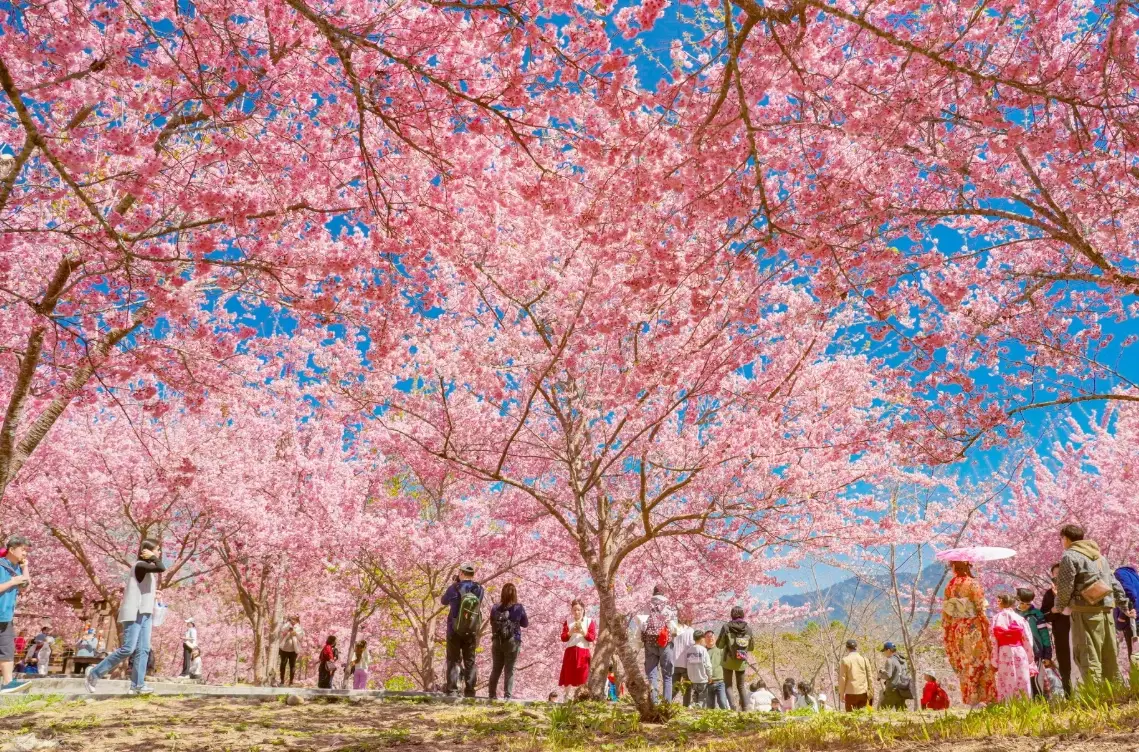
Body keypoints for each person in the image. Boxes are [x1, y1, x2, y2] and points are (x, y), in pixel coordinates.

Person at [1054, 524, 1133, 685]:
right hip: (1106, 612)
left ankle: (1095, 698)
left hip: (1085, 612)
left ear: (1066, 538)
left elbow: (1064, 586)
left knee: (1088, 654)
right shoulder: (1100, 557)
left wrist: (1059, 606)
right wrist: (1124, 605)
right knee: (1109, 654)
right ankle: (1115, 693)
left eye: (1061, 538)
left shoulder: (1070, 556)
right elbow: (1114, 584)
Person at [85, 538, 165, 695]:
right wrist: (153, 557)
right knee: (128, 648)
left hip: (145, 612)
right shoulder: (140, 565)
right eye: (157, 549)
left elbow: (141, 587)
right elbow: (161, 567)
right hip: (134, 613)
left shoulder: (145, 568)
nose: (159, 552)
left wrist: (152, 595)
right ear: (147, 551)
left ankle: (138, 685)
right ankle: (94, 673)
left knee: (144, 649)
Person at [942, 560, 997, 707]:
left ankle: (970, 699)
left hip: (958, 628)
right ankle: (986, 698)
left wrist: (950, 629)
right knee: (980, 661)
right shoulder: (973, 583)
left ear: (954, 567)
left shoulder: (949, 585)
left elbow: (946, 613)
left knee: (965, 663)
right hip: (973, 627)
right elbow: (979, 607)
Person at [441, 562, 484, 698]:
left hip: (453, 630)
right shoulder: (479, 589)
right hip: (471, 630)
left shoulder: (453, 588)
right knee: (470, 660)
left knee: (453, 660)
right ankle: (470, 691)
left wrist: (455, 583)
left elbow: (443, 601)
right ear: (472, 575)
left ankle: (453, 690)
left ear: (461, 573)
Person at [0, 536, 31, 691]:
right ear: (12, 550)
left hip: (6, 617)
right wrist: (12, 582)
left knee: (7, 651)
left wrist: (25, 568)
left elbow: (25, 587)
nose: (25, 553)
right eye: (23, 549)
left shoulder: (16, 568)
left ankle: (7, 684)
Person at [488, 582, 529, 700]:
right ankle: (507, 696)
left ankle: (492, 695)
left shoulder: (495, 607)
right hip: (512, 641)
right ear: (514, 594)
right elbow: (525, 624)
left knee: (496, 668)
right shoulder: (518, 607)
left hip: (497, 641)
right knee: (509, 669)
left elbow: (492, 622)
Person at [992, 593, 1035, 702]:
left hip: (1004, 651)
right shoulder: (1020, 618)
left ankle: (1007, 705)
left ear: (1001, 602)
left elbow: (993, 640)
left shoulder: (996, 618)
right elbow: (1027, 638)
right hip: (1019, 650)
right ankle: (1024, 704)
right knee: (1022, 679)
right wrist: (1030, 658)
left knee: (1006, 680)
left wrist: (994, 660)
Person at [639, 585, 676, 705]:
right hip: (665, 641)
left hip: (650, 641)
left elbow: (642, 625)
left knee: (652, 674)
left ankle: (654, 703)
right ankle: (666, 704)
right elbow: (672, 626)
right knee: (667, 675)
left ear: (653, 593)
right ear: (663, 593)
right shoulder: (668, 605)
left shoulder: (647, 605)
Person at [1041, 563, 1072, 694]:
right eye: (1055, 575)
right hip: (1061, 632)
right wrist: (1054, 610)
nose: (1058, 577)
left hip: (1078, 630)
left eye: (1061, 574)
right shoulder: (1049, 594)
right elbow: (1044, 616)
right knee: (1064, 661)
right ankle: (1068, 692)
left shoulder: (1074, 589)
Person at [716, 605, 754, 712]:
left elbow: (719, 645)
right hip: (741, 660)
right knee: (741, 686)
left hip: (728, 660)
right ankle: (746, 709)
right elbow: (751, 647)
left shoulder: (726, 627)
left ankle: (732, 708)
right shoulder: (748, 629)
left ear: (731, 614)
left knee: (728, 685)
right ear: (742, 614)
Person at [1015, 588, 1051, 697]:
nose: (1025, 606)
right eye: (1022, 603)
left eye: (1028, 604)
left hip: (1036, 651)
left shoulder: (1036, 615)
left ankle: (1039, 701)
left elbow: (1044, 634)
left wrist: (1047, 654)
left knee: (1036, 678)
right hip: (1020, 651)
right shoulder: (1014, 614)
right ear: (1017, 600)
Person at [558, 599, 596, 701]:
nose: (577, 612)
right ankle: (567, 696)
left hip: (583, 651)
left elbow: (592, 637)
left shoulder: (589, 621)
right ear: (571, 610)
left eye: (579, 610)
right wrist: (570, 632)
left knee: (583, 674)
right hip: (570, 651)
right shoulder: (568, 621)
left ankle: (582, 696)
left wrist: (584, 632)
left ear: (583, 610)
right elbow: (563, 638)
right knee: (568, 673)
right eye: (574, 610)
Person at [837, 639, 874, 711]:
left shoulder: (845, 660)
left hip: (850, 692)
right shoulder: (864, 659)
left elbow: (842, 678)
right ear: (856, 647)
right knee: (863, 715)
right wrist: (871, 690)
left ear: (847, 648)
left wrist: (841, 693)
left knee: (850, 717)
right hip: (863, 692)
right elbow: (870, 676)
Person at [670, 606, 695, 706]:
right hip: (686, 664)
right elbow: (692, 646)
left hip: (674, 662)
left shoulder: (673, 629)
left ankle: (666, 703)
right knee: (687, 687)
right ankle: (686, 706)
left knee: (674, 687)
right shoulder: (690, 630)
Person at [1114, 565, 1139, 660]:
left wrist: (1122, 616)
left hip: (1132, 620)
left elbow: (1128, 593)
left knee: (1134, 657)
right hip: (1135, 618)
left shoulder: (1119, 574)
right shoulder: (1134, 576)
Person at [877, 642, 911, 711]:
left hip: (892, 690)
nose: (884, 653)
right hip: (902, 689)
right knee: (902, 711)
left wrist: (880, 674)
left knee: (883, 709)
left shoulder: (889, 660)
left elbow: (888, 675)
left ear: (888, 650)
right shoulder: (903, 660)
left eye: (884, 651)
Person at [683, 629, 711, 707]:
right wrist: (710, 676)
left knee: (695, 698)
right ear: (702, 638)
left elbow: (689, 664)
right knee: (702, 699)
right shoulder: (703, 650)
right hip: (702, 679)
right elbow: (707, 665)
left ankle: (693, 711)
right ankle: (700, 714)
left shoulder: (689, 650)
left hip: (693, 680)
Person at [705, 630, 729, 710]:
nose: (710, 638)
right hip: (707, 683)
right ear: (704, 639)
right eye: (707, 637)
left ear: (715, 638)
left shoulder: (720, 649)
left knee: (723, 703)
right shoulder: (703, 651)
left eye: (711, 636)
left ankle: (727, 720)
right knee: (710, 707)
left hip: (720, 682)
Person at [278, 615, 303, 686]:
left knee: (292, 665)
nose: (293, 621)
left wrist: (294, 632)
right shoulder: (286, 625)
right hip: (284, 649)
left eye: (295, 619)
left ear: (297, 620)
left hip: (294, 650)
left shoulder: (299, 627)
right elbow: (282, 632)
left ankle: (291, 681)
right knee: (283, 664)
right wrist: (287, 630)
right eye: (292, 619)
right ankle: (282, 680)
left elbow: (300, 637)